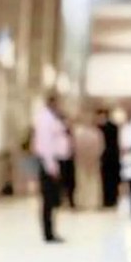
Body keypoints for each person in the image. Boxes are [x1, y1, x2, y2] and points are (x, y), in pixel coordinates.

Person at [33, 94, 70, 243]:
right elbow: (46, 144)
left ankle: (51, 230)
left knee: (54, 199)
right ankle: (48, 232)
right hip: (50, 162)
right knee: (48, 199)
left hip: (55, 161)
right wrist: (51, 166)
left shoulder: (53, 118)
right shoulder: (45, 120)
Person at [74, 114, 105, 209]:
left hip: (87, 161)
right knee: (88, 182)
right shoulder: (95, 133)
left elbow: (100, 148)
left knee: (87, 182)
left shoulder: (81, 133)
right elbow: (100, 148)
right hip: (88, 161)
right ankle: (90, 202)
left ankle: (87, 202)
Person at [97, 109, 121, 208]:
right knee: (107, 180)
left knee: (111, 180)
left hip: (111, 157)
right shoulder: (102, 127)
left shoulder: (108, 128)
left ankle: (111, 200)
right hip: (108, 158)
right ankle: (109, 200)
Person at [60, 122, 77, 209]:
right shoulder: (60, 139)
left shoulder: (71, 139)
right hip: (62, 162)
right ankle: (63, 201)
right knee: (63, 183)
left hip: (70, 161)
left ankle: (71, 201)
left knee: (71, 183)